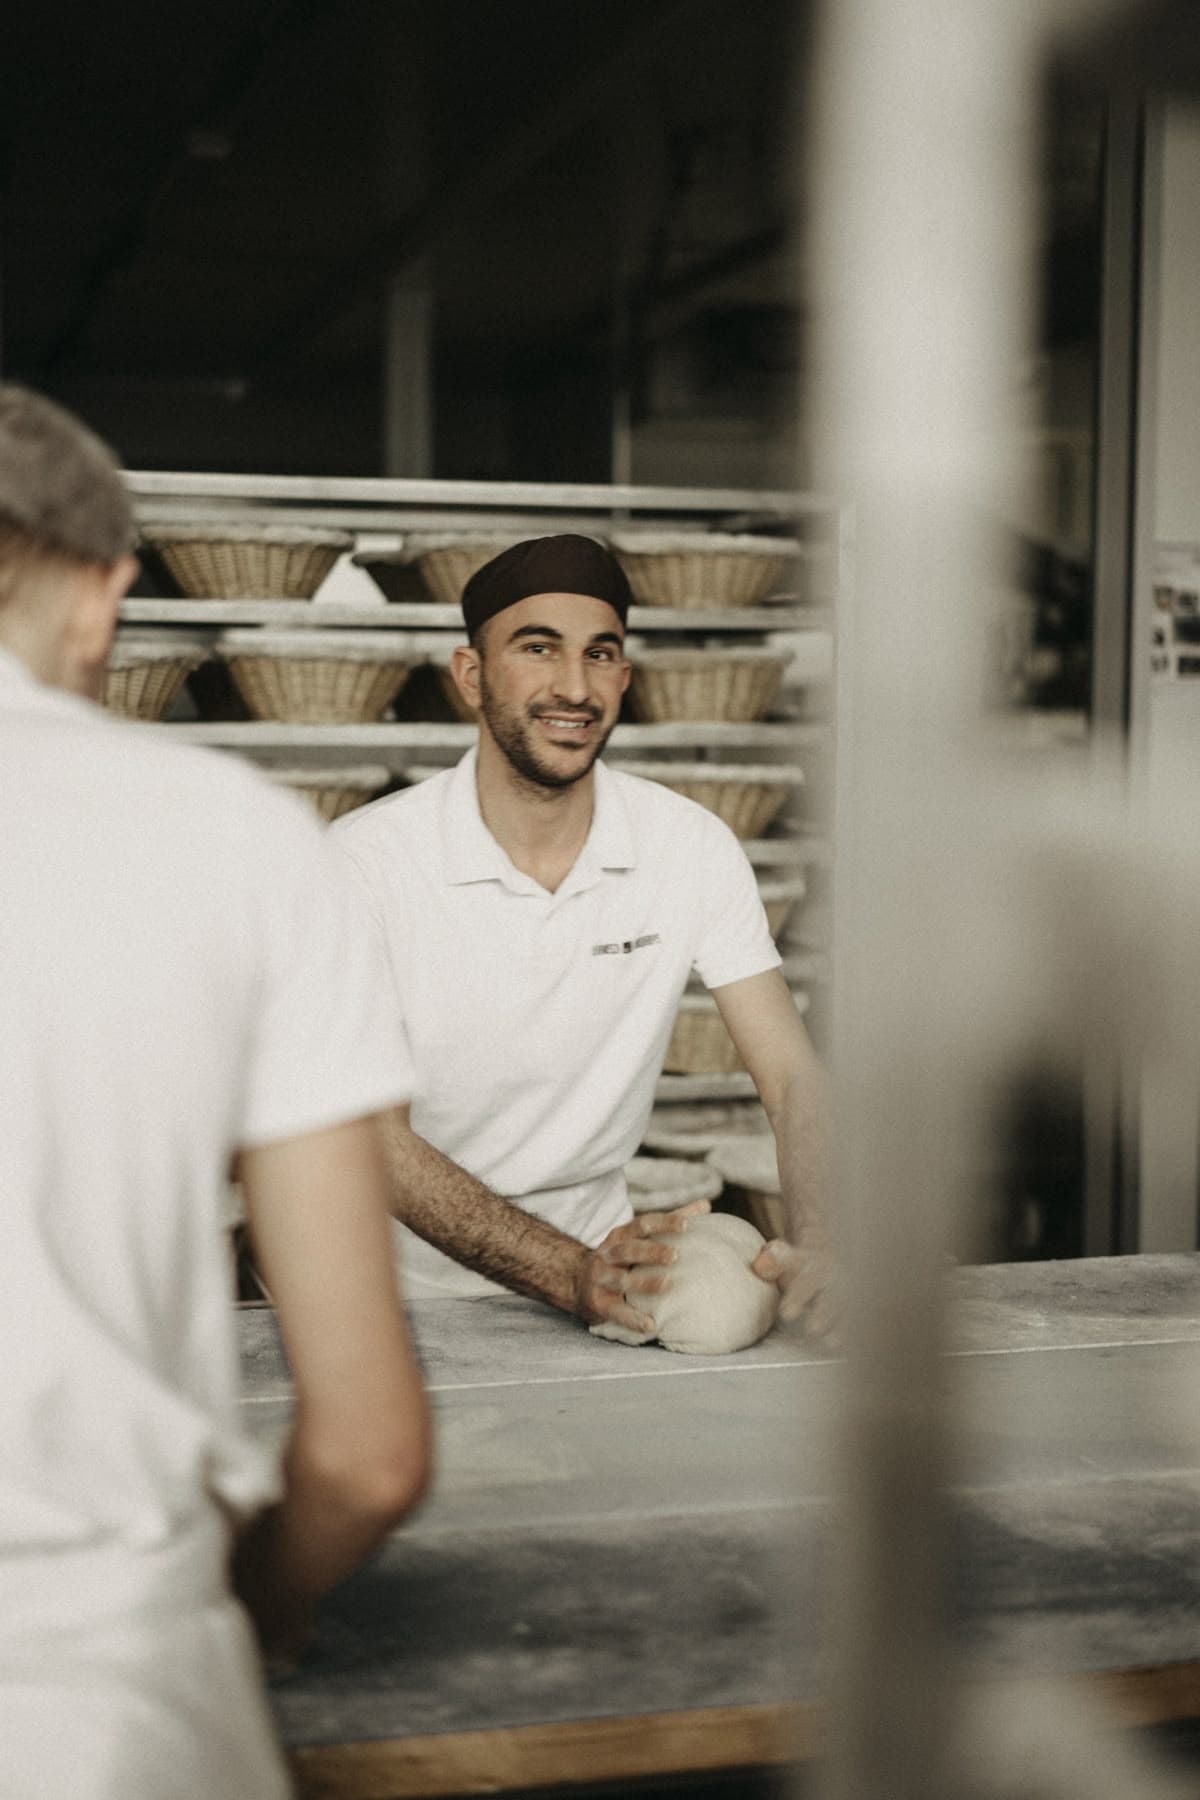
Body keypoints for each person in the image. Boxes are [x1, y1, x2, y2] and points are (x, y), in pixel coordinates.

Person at [0, 384, 432, 1800]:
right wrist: (270, 1603)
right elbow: (367, 1458)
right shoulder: (232, 843)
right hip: (99, 1699)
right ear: (104, 594)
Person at [335, 533, 834, 1339]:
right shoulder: (363, 866)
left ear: (625, 679)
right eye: (539, 649)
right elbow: (371, 1141)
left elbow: (791, 1079)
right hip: (383, 1293)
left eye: (601, 655)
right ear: (472, 675)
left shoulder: (688, 847)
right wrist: (566, 1273)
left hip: (605, 1276)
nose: (575, 685)